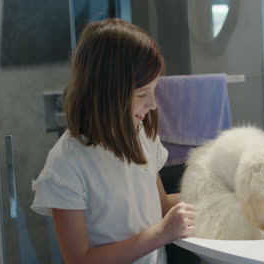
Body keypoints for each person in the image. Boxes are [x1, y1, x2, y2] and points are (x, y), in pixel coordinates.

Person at [31, 18, 196, 264]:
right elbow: (79, 260)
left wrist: (223, 194)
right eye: (142, 94)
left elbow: (161, 206)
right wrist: (161, 234)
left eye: (154, 90)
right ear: (108, 92)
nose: (152, 105)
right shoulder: (65, 166)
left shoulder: (140, 136)